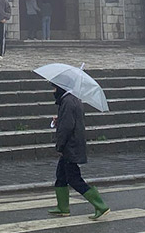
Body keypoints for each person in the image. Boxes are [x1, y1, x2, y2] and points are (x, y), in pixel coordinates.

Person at [47, 83, 110, 220]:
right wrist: (60, 120)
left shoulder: (68, 102)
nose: (53, 91)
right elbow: (71, 122)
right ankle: (62, 208)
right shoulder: (72, 100)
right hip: (72, 146)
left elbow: (67, 127)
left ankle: (100, 205)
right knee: (61, 176)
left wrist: (60, 145)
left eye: (54, 88)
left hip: (70, 147)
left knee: (74, 179)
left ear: (60, 88)